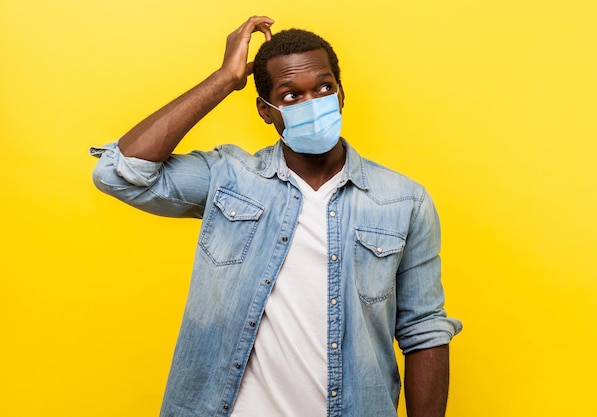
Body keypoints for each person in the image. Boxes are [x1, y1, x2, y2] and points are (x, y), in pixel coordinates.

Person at [90, 15, 462, 417]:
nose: (312, 103)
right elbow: (118, 173)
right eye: (289, 95)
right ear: (265, 111)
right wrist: (224, 78)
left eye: (323, 88)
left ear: (341, 95)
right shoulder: (230, 177)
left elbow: (423, 331)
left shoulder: (403, 201)